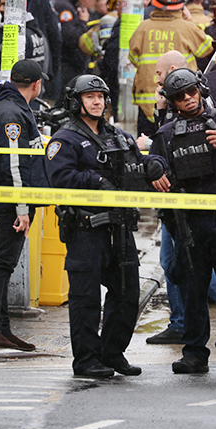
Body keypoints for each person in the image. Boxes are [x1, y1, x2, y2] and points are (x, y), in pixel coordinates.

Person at [44, 75, 167, 379]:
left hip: (121, 228)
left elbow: (137, 167)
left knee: (127, 293)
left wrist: (154, 166)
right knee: (86, 298)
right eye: (90, 97)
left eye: (100, 96)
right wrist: (96, 181)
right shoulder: (66, 139)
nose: (97, 102)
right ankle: (86, 360)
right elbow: (59, 177)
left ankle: (112, 353)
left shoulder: (120, 137)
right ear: (77, 102)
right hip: (87, 228)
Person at [149, 69, 216, 374]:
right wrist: (154, 168)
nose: (187, 99)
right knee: (193, 293)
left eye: (191, 93)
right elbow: (154, 167)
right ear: (172, 102)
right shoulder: (167, 134)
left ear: (201, 90)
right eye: (180, 97)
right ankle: (195, 354)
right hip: (190, 226)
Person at [0, 60, 49, 351]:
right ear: (36, 84)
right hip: (11, 201)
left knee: (4, 263)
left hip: (10, 198)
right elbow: (14, 165)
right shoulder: (12, 112)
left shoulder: (13, 107)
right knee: (3, 263)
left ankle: (1, 328)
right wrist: (22, 209)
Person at [129, 0, 213, 137]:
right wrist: (190, 20)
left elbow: (133, 58)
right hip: (181, 99)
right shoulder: (187, 27)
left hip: (148, 101)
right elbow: (207, 48)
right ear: (182, 4)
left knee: (147, 146)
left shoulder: (143, 28)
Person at [54, 0, 94, 87]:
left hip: (73, 65)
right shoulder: (64, 6)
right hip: (68, 66)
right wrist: (83, 23)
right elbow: (69, 37)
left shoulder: (72, 4)